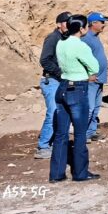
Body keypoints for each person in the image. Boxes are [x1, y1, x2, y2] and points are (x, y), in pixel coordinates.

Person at [49, 15, 100, 183]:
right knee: (79, 134)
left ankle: (56, 174)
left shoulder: (60, 43)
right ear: (81, 29)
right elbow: (94, 67)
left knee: (61, 134)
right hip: (78, 89)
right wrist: (88, 75)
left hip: (62, 87)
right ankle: (80, 173)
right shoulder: (80, 45)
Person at [35, 11, 71, 159]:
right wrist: (60, 72)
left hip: (60, 80)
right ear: (58, 24)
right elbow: (44, 60)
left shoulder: (65, 38)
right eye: (66, 23)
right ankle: (43, 146)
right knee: (53, 112)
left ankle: (55, 142)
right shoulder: (53, 38)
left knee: (61, 112)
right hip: (52, 81)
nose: (69, 25)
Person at [81, 12, 108, 143]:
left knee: (96, 108)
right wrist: (88, 75)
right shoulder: (86, 38)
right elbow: (83, 59)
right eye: (102, 22)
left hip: (99, 79)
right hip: (92, 80)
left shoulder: (95, 37)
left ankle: (90, 133)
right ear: (93, 23)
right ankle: (81, 135)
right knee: (89, 108)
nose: (104, 24)